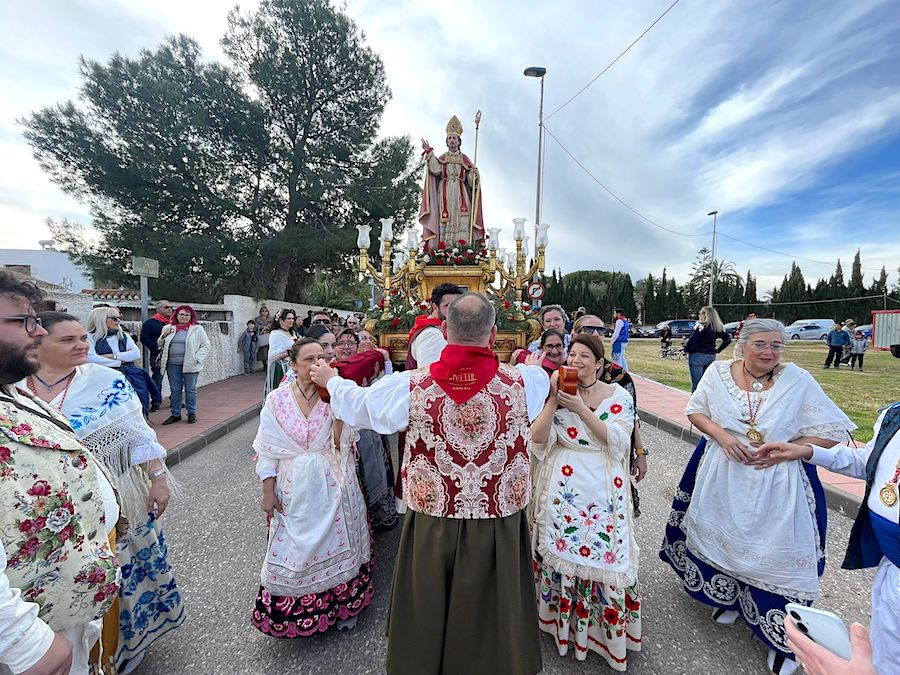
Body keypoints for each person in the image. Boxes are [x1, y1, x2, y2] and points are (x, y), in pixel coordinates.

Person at [311, 293, 550, 675]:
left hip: (434, 516)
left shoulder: (410, 385)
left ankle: (424, 661)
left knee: (428, 598)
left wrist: (331, 381)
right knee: (494, 599)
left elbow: (361, 406)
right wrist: (534, 366)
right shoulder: (528, 381)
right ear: (493, 335)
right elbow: (540, 399)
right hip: (497, 516)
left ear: (443, 330)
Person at [659, 319, 856, 675]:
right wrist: (722, 436)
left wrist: (790, 450)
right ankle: (730, 597)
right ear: (742, 342)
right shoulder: (719, 373)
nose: (769, 352)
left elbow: (832, 430)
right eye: (762, 344)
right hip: (724, 472)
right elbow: (696, 410)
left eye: (777, 346)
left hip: (777, 481)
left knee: (774, 554)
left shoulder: (797, 381)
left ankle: (785, 641)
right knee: (725, 540)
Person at [22, 312, 183, 673]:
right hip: (47, 505)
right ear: (37, 343)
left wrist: (157, 479)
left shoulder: (106, 380)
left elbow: (139, 435)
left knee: (119, 570)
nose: (81, 345)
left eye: (82, 338)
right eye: (68, 340)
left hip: (114, 494)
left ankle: (118, 650)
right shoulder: (15, 389)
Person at [0, 270, 120, 675]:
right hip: (31, 643)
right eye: (23, 321)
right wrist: (21, 641)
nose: (36, 332)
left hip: (60, 611)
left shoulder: (13, 391)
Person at [754, 401, 900, 675]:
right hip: (891, 564)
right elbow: (869, 462)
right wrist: (807, 451)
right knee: (884, 656)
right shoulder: (895, 415)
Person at [531, 333, 641, 670]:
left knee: (607, 554)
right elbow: (537, 437)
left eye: (583, 356)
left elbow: (617, 440)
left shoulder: (618, 395)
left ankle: (602, 635)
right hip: (563, 484)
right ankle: (559, 627)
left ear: (599, 363)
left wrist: (579, 407)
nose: (575, 361)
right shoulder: (559, 391)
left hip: (603, 485)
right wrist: (553, 399)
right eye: (571, 354)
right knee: (561, 550)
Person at [251, 339, 374, 638]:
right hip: (294, 485)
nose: (318, 364)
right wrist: (268, 491)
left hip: (333, 482)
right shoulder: (278, 400)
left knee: (338, 542)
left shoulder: (336, 393)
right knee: (295, 548)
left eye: (322, 357)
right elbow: (268, 448)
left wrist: (337, 406)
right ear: (293, 365)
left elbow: (343, 444)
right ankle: (298, 611)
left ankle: (344, 605)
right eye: (309, 359)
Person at [574, 315, 649, 508]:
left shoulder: (619, 376)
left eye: (602, 330)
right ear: (576, 334)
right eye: (589, 330)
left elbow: (632, 419)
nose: (597, 334)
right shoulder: (564, 374)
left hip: (610, 455)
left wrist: (640, 453)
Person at [419, 115, 484, 246]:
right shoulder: (443, 158)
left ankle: (462, 251)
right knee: (445, 220)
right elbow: (435, 169)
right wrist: (429, 153)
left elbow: (471, 183)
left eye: (454, 138)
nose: (452, 141)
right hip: (445, 194)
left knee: (462, 220)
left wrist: (474, 174)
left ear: (459, 141)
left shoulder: (465, 160)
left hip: (461, 196)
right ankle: (445, 250)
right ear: (446, 141)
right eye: (449, 138)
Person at [86, 306, 158, 414]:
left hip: (130, 376)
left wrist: (113, 356)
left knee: (137, 404)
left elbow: (135, 353)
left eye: (119, 317)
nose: (119, 321)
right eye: (114, 318)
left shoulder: (123, 336)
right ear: (101, 319)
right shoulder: (89, 337)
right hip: (104, 378)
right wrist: (121, 361)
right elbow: (92, 359)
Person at [158, 305, 211, 425]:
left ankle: (191, 412)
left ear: (191, 316)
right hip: (172, 364)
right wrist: (163, 335)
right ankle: (175, 414)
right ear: (176, 315)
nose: (184, 317)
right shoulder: (168, 328)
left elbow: (206, 345)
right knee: (175, 390)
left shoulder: (197, 329)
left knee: (190, 389)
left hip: (190, 364)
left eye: (187, 315)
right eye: (181, 314)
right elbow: (160, 344)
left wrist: (197, 358)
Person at [406, 282, 462, 369]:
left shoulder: (437, 328)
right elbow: (429, 374)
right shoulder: (432, 334)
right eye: (449, 306)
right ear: (435, 307)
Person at [684, 306, 732, 392]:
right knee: (707, 382)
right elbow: (727, 340)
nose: (699, 315)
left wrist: (687, 350)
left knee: (697, 384)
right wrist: (718, 350)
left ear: (705, 315)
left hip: (698, 355)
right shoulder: (718, 327)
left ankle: (695, 402)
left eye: (700, 313)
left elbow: (693, 340)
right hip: (711, 355)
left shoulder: (700, 326)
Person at [140, 299, 173, 411]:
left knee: (176, 379)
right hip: (157, 356)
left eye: (170, 307)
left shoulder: (174, 323)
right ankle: (156, 401)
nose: (170, 309)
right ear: (158, 309)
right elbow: (144, 338)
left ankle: (175, 400)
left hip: (173, 356)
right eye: (166, 307)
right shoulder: (150, 323)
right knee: (157, 379)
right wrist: (157, 347)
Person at [265, 309, 298, 394]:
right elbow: (272, 355)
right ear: (280, 320)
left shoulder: (293, 333)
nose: (291, 321)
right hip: (281, 368)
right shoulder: (276, 334)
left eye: (293, 318)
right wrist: (289, 352)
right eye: (289, 318)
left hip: (293, 366)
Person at [253, 306, 270, 372]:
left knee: (269, 350)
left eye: (266, 311)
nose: (264, 312)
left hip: (269, 335)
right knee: (263, 351)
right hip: (262, 336)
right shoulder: (257, 319)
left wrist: (269, 327)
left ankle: (269, 364)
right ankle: (264, 365)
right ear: (260, 312)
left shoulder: (270, 318)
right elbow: (256, 326)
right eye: (263, 311)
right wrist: (263, 327)